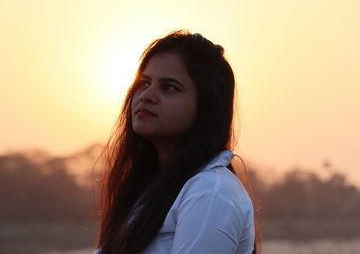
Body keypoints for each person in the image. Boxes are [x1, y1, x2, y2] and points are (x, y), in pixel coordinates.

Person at [94, 30, 258, 253]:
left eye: (169, 87)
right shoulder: (150, 193)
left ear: (206, 107)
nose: (147, 95)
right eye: (144, 83)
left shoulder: (211, 191)